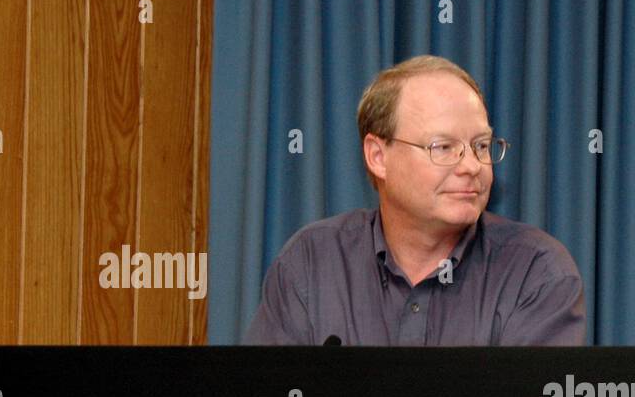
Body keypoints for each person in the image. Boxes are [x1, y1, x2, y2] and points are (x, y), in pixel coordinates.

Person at [245, 56, 585, 345]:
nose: (471, 166)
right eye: (443, 147)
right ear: (378, 156)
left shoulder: (536, 272)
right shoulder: (311, 262)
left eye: (481, 146)